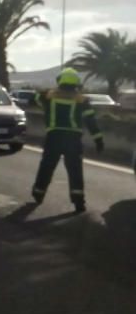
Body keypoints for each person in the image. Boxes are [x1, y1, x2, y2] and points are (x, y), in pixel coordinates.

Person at [31, 68, 104, 213]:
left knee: (46, 167)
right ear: (76, 83)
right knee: (75, 170)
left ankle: (38, 194)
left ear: (60, 80)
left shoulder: (48, 96)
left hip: (54, 137)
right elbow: (91, 121)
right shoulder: (82, 100)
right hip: (73, 140)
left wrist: (48, 92)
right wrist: (98, 140)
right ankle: (79, 202)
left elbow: (33, 99)